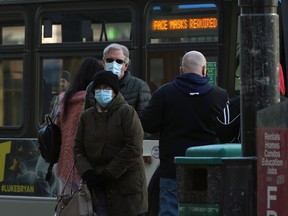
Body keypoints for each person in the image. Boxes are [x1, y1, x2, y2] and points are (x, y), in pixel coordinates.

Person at [140, 51, 229, 216]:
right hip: (208, 169)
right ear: (204, 70)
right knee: (204, 211)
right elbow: (225, 131)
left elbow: (148, 124)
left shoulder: (164, 93)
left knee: (170, 210)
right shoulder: (219, 95)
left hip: (172, 168)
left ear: (181, 70)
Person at [74, 70, 148, 216]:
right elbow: (78, 149)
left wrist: (109, 173)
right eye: (98, 88)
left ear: (114, 91)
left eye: (106, 88)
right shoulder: (86, 117)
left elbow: (133, 147)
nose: (102, 91)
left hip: (127, 189)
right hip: (98, 188)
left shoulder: (127, 112)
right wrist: (87, 172)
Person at [55, 57, 103, 193]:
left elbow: (57, 126)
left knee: (67, 207)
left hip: (65, 165)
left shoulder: (64, 99)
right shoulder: (92, 101)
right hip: (86, 166)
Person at [84, 43, 151, 117]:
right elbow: (87, 118)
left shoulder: (140, 87)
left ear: (125, 66)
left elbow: (143, 119)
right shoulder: (92, 86)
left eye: (119, 61)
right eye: (110, 60)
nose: (113, 64)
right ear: (103, 62)